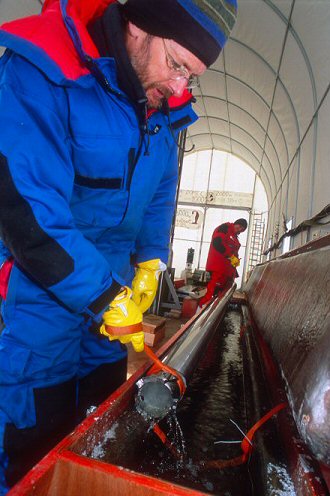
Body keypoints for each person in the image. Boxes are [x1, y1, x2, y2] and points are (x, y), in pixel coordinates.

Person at [0, 0, 237, 491]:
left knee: (98, 433)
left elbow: (161, 195)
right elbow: (30, 211)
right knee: (33, 450)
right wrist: (105, 296)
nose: (179, 88)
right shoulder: (43, 74)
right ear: (138, 23)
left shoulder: (162, 109)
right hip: (48, 295)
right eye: (177, 65)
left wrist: (152, 259)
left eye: (192, 77)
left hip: (113, 314)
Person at [199, 218, 247, 306]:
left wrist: (235, 262)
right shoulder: (224, 228)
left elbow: (233, 251)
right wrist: (231, 256)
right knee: (212, 292)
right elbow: (217, 243)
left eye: (242, 230)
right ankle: (201, 312)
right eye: (239, 226)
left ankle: (214, 313)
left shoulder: (234, 236)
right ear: (236, 223)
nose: (239, 230)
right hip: (218, 268)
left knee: (221, 296)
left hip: (227, 272)